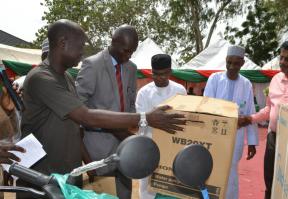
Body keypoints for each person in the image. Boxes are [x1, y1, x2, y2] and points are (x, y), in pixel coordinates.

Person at [18, 19, 185, 199]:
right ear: (62, 43)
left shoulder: (65, 77)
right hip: (42, 175)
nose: (82, 53)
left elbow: (76, 128)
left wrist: (89, 165)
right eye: (80, 46)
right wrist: (146, 118)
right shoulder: (42, 78)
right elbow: (85, 116)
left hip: (67, 173)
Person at [76, 24, 138, 198]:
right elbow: (78, 107)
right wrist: (110, 127)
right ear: (114, 42)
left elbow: (131, 104)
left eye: (132, 51)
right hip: (98, 149)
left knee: (125, 193)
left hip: (125, 148)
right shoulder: (92, 65)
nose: (129, 55)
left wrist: (128, 131)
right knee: (103, 194)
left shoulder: (131, 68)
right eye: (126, 50)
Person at [239, 39, 288, 199]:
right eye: (281, 57)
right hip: (274, 138)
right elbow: (269, 109)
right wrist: (249, 119)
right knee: (271, 180)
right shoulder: (275, 80)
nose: (282, 62)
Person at [204, 45, 258, 199]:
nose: (231, 67)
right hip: (214, 134)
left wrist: (252, 142)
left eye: (236, 63)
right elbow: (207, 105)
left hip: (236, 136)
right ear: (225, 61)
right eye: (229, 62)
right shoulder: (214, 79)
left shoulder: (246, 84)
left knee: (231, 170)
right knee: (211, 168)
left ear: (242, 63)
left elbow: (250, 112)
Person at [135, 54, 187, 199]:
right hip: (150, 146)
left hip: (174, 146)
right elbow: (139, 122)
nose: (160, 77)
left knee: (173, 185)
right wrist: (154, 120)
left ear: (170, 72)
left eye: (164, 74)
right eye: (156, 74)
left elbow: (184, 118)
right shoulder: (144, 93)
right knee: (148, 188)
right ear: (152, 73)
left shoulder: (180, 90)